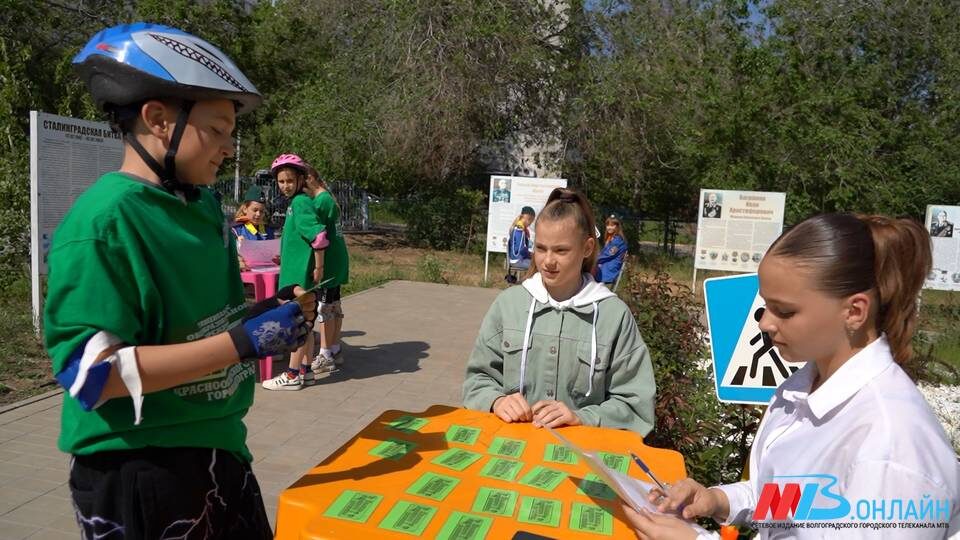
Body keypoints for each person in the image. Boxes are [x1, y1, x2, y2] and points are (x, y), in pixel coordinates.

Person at [47, 23, 316, 539]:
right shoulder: (105, 223)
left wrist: (259, 317)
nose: (229, 148)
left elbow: (196, 327)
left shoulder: (203, 206)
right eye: (216, 130)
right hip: (140, 464)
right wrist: (241, 344)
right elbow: (90, 377)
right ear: (158, 120)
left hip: (220, 447)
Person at [622, 213, 960, 539]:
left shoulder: (892, 448)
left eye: (784, 311)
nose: (765, 323)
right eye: (765, 305)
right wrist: (718, 500)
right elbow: (791, 500)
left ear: (854, 312)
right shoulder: (801, 388)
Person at [462, 188, 656, 435]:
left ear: (587, 248)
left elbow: (635, 404)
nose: (548, 261)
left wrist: (583, 417)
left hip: (581, 454)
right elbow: (477, 380)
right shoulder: (508, 305)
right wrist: (496, 400)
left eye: (561, 250)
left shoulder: (613, 316)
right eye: (541, 248)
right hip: (511, 450)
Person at [261, 154, 329, 390]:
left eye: (290, 180)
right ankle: (305, 371)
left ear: (301, 179)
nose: (285, 185)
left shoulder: (300, 203)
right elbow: (301, 238)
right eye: (281, 181)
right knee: (306, 325)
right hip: (296, 271)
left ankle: (291, 375)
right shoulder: (297, 203)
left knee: (297, 324)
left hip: (299, 277)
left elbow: (318, 237)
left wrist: (318, 267)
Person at [304, 165, 350, 372]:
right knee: (334, 304)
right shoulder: (326, 198)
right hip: (337, 258)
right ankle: (335, 348)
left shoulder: (320, 201)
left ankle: (325, 354)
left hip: (329, 260)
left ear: (310, 179)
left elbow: (315, 234)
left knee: (324, 307)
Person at [232, 185, 276, 271]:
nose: (258, 214)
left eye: (262, 211)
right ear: (245, 209)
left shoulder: (268, 231)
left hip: (267, 271)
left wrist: (276, 257)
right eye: (255, 210)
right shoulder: (235, 230)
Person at [505, 206, 536, 284]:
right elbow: (519, 250)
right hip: (518, 260)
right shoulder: (519, 229)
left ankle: (524, 283)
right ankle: (525, 284)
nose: (530, 224)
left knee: (537, 262)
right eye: (531, 221)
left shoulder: (518, 228)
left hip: (518, 259)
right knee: (539, 266)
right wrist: (530, 254)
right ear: (528, 218)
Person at [595, 214, 628, 285]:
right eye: (608, 225)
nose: (609, 228)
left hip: (608, 269)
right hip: (606, 264)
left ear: (617, 226)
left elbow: (607, 255)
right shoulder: (612, 238)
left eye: (612, 225)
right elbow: (604, 253)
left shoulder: (617, 241)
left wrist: (593, 260)